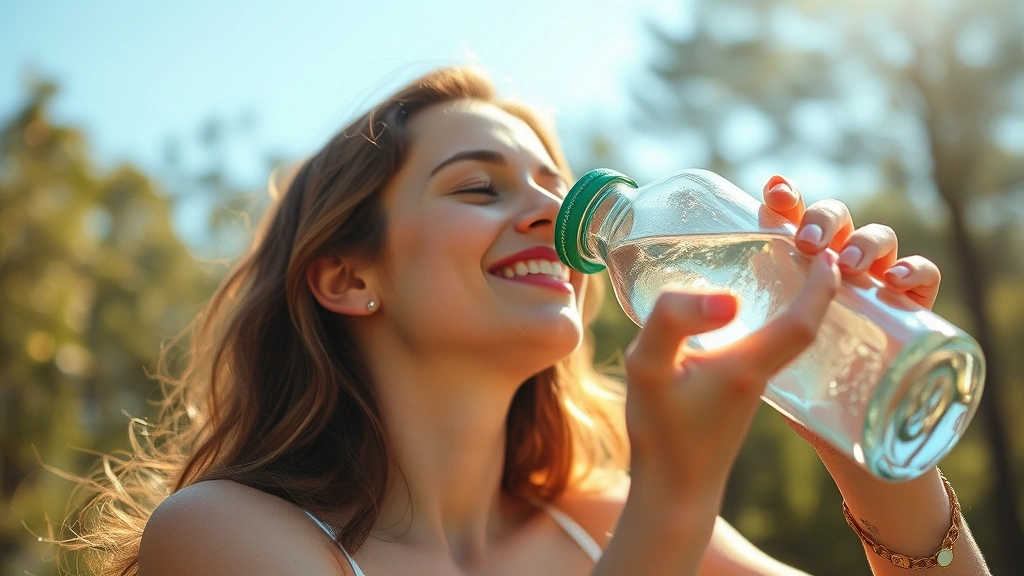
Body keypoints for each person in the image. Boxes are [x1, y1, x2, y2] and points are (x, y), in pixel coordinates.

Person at [58, 66, 990, 575]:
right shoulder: (225, 536)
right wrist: (670, 505)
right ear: (346, 276)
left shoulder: (601, 521)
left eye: (556, 182)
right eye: (478, 186)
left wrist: (870, 451)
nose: (553, 211)